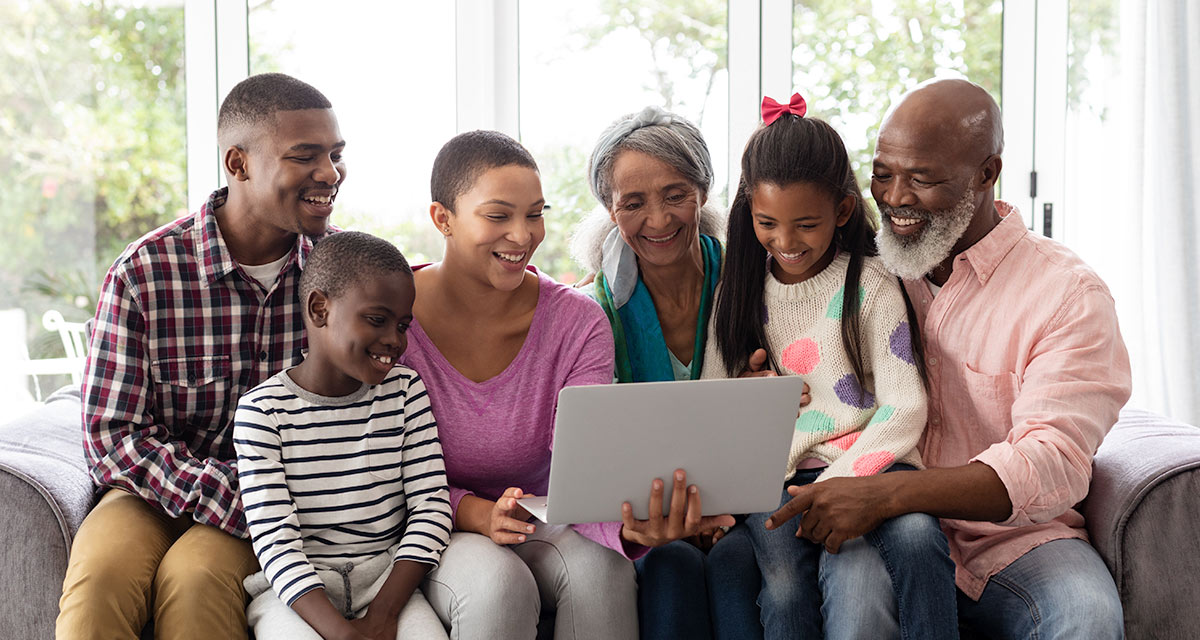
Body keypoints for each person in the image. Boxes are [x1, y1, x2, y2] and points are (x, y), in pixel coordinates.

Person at [766, 78, 1132, 639]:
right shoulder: (858, 270)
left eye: (922, 179)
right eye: (884, 174)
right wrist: (762, 381)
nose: (895, 197)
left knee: (1086, 614)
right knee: (861, 604)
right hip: (879, 531)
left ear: (987, 173)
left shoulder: (1067, 295)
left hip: (1011, 541)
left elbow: (1053, 460)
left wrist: (884, 492)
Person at [56, 72, 345, 639]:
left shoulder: (345, 272)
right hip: (153, 491)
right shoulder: (144, 273)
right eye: (305, 156)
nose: (330, 175)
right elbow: (115, 438)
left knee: (196, 579)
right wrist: (231, 494)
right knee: (102, 577)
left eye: (336, 155)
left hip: (274, 506)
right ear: (238, 164)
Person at [702, 93, 957, 640]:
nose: (786, 242)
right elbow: (710, 401)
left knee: (916, 540)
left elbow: (905, 404)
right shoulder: (737, 292)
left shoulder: (869, 283)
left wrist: (842, 482)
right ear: (749, 211)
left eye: (806, 225)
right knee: (786, 590)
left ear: (842, 213)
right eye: (768, 223)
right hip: (773, 479)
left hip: (870, 467)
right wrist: (747, 401)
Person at [401, 130, 649, 639]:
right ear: (442, 219)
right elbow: (380, 468)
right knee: (497, 584)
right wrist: (471, 511)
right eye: (498, 216)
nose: (522, 234)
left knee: (604, 572)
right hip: (430, 522)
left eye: (535, 213)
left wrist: (625, 527)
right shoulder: (389, 316)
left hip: (540, 514)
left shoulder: (577, 323)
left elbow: (583, 468)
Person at [573, 106, 764, 640]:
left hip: (741, 512)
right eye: (633, 204)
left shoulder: (750, 284)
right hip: (646, 522)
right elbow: (597, 449)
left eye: (675, 195)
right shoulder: (593, 313)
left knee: (736, 575)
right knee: (670, 572)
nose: (657, 221)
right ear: (611, 212)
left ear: (703, 192)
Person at [234, 231, 451, 640]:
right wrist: (343, 634)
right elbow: (276, 542)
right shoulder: (262, 413)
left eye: (402, 325)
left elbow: (432, 509)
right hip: (296, 598)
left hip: (387, 588)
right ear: (320, 309)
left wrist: (383, 616)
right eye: (377, 319)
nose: (394, 340)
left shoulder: (404, 392)